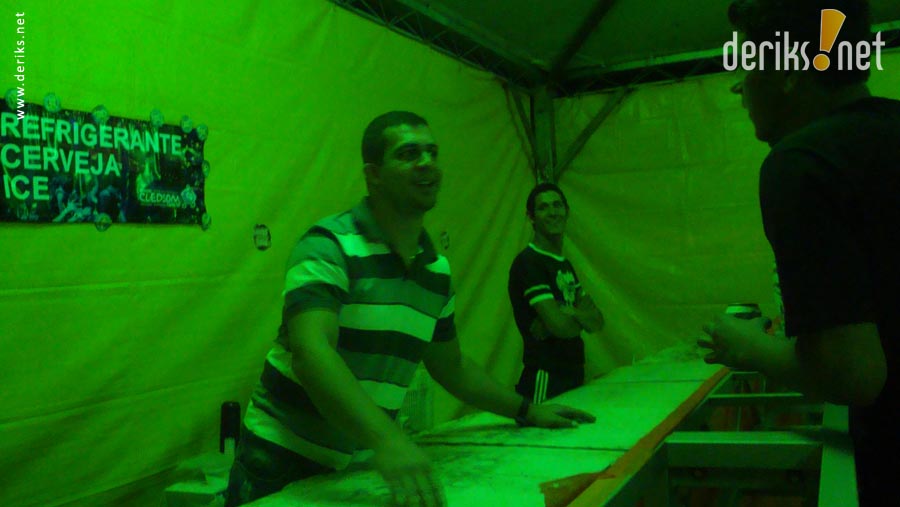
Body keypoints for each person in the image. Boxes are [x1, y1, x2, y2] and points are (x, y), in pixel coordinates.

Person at [225, 112, 596, 507]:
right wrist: (388, 439)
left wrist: (527, 410)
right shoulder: (328, 246)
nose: (426, 163)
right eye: (408, 154)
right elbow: (311, 352)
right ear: (373, 175)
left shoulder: (435, 271)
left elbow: (452, 367)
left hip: (355, 463)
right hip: (278, 461)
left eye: (432, 152)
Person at [698, 2, 897, 505]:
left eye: (747, 63)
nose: (739, 87)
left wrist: (745, 346)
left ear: (786, 70)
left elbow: (853, 372)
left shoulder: (801, 162)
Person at [508, 183, 604, 404]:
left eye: (557, 205)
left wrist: (569, 313)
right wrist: (576, 317)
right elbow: (562, 328)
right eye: (543, 208)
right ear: (531, 217)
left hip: (575, 374)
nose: (552, 212)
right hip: (545, 378)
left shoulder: (564, 265)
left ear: (567, 211)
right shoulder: (529, 262)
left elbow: (598, 321)